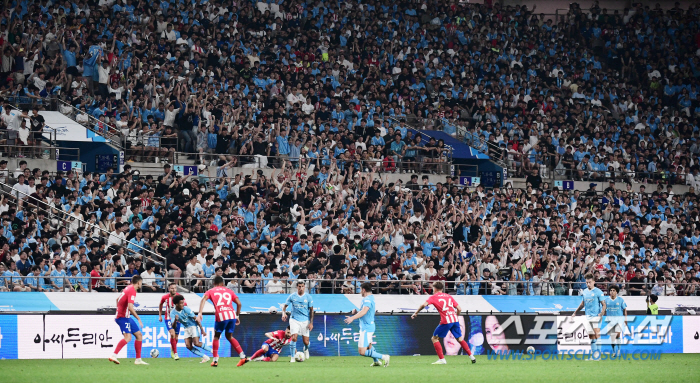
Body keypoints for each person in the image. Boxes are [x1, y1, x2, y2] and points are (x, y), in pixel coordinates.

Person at [411, 281, 476, 364]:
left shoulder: (433, 297)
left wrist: (416, 313)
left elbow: (423, 305)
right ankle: (472, 356)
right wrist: (455, 316)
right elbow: (459, 309)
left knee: (434, 338)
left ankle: (442, 359)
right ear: (442, 288)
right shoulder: (449, 296)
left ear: (435, 288)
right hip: (455, 319)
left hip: (446, 320)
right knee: (459, 339)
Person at [197, 275, 247, 367]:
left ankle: (215, 360)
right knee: (229, 336)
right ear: (223, 283)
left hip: (221, 315)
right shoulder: (229, 291)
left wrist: (200, 312)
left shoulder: (211, 291)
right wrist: (237, 315)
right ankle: (242, 356)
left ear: (213, 283)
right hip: (231, 315)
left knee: (216, 337)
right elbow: (239, 303)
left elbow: (203, 299)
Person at [343, 282, 390, 367]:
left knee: (362, 351)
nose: (360, 292)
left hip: (366, 327)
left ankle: (384, 357)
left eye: (361, 290)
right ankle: (376, 361)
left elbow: (364, 311)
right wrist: (357, 311)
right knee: (369, 346)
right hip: (367, 326)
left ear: (363, 290)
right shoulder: (371, 298)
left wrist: (352, 318)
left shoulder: (367, 299)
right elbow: (364, 311)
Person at [109, 275, 148, 365]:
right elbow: (130, 307)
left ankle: (138, 359)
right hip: (123, 317)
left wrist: (119, 310)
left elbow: (117, 299)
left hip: (126, 317)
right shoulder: (132, 290)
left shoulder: (128, 287)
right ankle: (114, 355)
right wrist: (138, 318)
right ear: (138, 282)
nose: (141, 284)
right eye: (141, 283)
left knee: (139, 335)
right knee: (128, 337)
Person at [569, 273, 607, 361]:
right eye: (587, 282)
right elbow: (582, 304)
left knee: (597, 335)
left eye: (589, 282)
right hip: (588, 317)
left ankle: (598, 355)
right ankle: (594, 355)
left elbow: (604, 304)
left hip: (596, 316)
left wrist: (601, 313)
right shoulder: (585, 291)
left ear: (594, 282)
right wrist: (575, 312)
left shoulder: (598, 292)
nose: (588, 284)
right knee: (592, 337)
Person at [172, 294, 213, 363]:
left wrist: (202, 330)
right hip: (186, 328)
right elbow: (173, 327)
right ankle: (205, 357)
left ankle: (213, 351)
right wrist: (175, 320)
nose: (183, 304)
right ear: (176, 304)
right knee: (188, 346)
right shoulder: (173, 313)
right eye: (181, 303)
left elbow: (196, 319)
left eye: (183, 302)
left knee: (196, 343)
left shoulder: (186, 309)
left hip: (193, 326)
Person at [281, 280, 314, 362]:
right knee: (294, 338)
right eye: (299, 286)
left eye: (302, 286)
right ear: (297, 287)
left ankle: (306, 349)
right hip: (294, 319)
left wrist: (311, 323)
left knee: (306, 342)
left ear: (304, 287)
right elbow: (284, 307)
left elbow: (311, 310)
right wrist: (283, 314)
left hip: (305, 320)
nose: (301, 288)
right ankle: (292, 358)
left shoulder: (308, 297)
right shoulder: (292, 296)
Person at [158, 283, 182, 360]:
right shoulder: (165, 297)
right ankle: (175, 353)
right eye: (172, 288)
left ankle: (172, 349)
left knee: (176, 337)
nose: (173, 289)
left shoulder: (180, 297)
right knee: (172, 334)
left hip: (177, 318)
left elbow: (184, 306)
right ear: (169, 289)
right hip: (168, 318)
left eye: (175, 288)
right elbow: (160, 304)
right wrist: (160, 315)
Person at [603, 285, 627, 356]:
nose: (612, 292)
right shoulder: (606, 300)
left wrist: (625, 319)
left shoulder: (620, 300)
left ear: (616, 292)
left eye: (614, 291)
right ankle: (614, 351)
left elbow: (625, 309)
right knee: (612, 337)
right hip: (610, 321)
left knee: (617, 335)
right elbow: (603, 310)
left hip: (618, 320)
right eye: (611, 290)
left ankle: (619, 350)